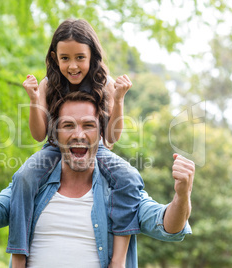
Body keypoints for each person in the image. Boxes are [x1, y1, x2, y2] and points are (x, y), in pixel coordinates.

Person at [0, 91, 194, 268]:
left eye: (88, 125)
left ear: (100, 134)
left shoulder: (119, 190)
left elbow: (166, 225)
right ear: (55, 135)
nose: (78, 134)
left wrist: (182, 196)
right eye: (68, 125)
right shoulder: (32, 185)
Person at [10, 18, 143, 267]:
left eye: (80, 57)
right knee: (23, 178)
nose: (72, 66)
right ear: (54, 57)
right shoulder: (49, 85)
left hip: (96, 149)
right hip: (54, 149)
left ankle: (119, 260)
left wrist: (119, 98)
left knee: (129, 177)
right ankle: (18, 255)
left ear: (92, 55)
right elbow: (39, 135)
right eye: (65, 58)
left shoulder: (105, 84)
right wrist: (33, 98)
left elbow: (112, 138)